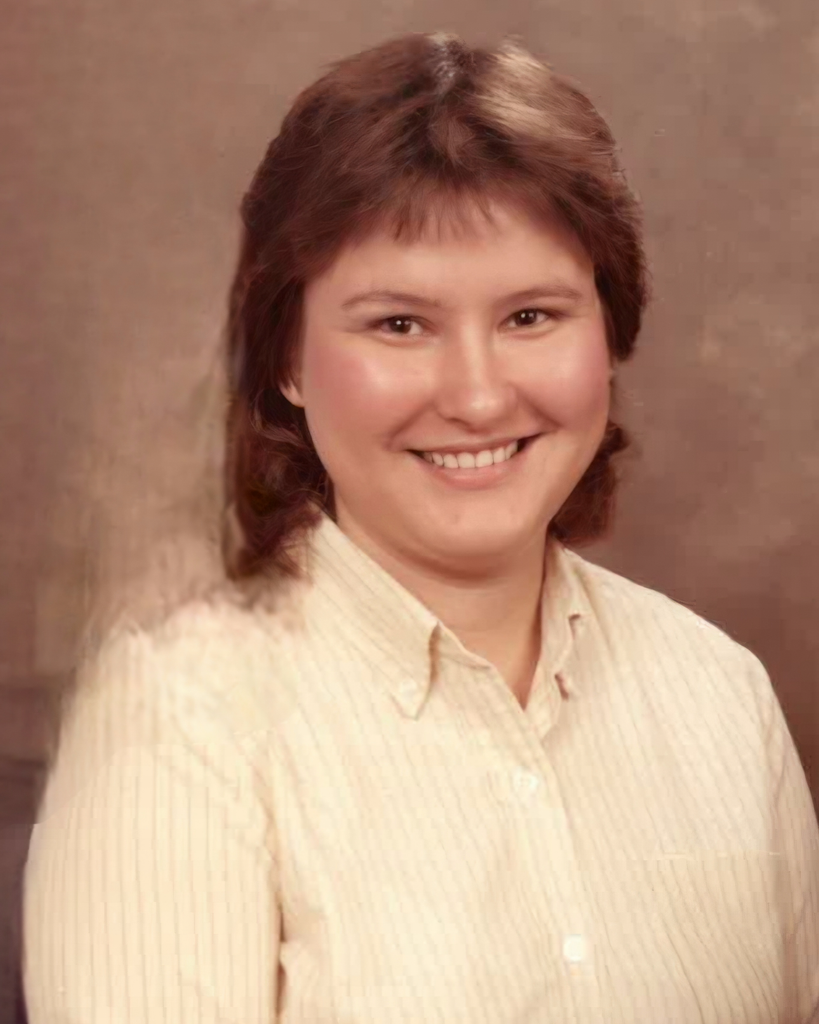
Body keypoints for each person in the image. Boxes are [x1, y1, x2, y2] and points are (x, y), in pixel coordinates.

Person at [21, 30, 819, 1024]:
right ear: (286, 359)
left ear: (609, 335)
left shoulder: (720, 694)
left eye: (530, 317)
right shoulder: (175, 724)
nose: (477, 397)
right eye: (399, 324)